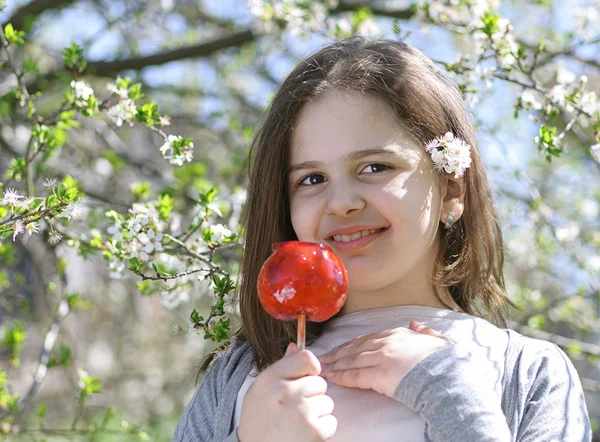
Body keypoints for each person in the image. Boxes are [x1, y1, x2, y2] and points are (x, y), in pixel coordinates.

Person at [172, 37, 592, 442]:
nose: (342, 203)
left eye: (376, 167)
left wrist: (446, 388)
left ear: (451, 190)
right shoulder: (239, 379)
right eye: (312, 178)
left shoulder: (530, 373)